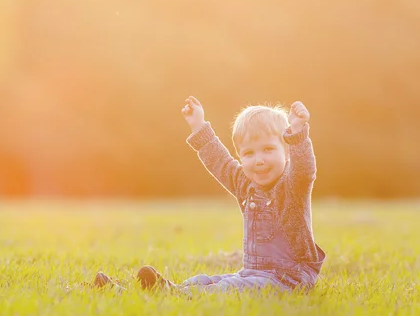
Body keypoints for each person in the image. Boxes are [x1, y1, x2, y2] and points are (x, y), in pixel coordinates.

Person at [93, 96, 325, 294]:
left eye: (268, 149)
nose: (259, 160)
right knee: (205, 281)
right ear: (241, 157)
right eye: (249, 153)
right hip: (254, 273)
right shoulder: (246, 186)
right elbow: (220, 162)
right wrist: (198, 125)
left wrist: (298, 135)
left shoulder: (292, 185)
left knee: (229, 287)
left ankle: (171, 293)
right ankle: (129, 289)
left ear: (286, 152)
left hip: (290, 278)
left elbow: (305, 169)